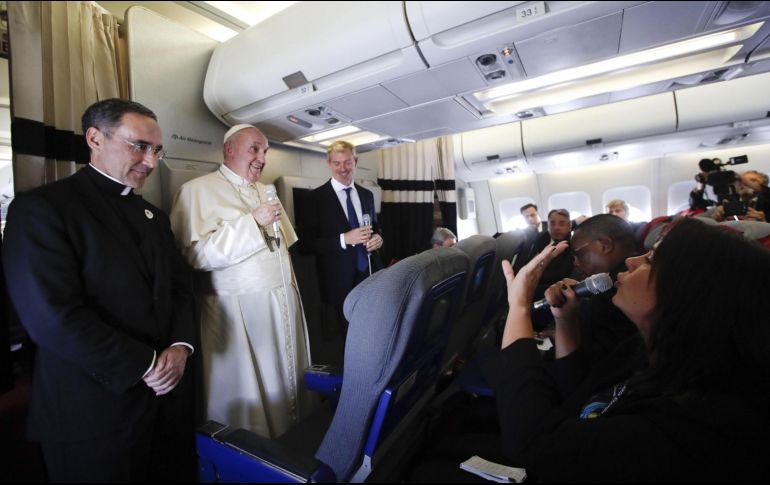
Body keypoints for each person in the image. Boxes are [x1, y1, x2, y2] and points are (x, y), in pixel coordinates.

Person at [484, 218, 770, 481]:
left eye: (651, 260)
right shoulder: (649, 351)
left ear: (690, 293)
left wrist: (519, 308)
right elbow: (579, 395)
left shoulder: (696, 425)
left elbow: (536, 443)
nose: (632, 261)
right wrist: (565, 320)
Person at [2, 99, 196, 482]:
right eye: (139, 146)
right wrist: (146, 364)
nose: (151, 162)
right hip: (91, 411)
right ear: (95, 139)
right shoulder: (43, 208)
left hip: (164, 402)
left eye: (157, 150)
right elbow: (51, 317)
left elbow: (180, 287)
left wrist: (181, 346)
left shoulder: (154, 218)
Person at [169, 124, 313, 438]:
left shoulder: (266, 190)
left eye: (265, 151)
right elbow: (194, 257)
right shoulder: (196, 191)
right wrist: (252, 223)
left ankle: (294, 440)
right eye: (254, 149)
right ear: (229, 149)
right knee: (250, 391)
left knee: (289, 383)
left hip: (282, 304)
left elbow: (282, 247)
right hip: (238, 311)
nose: (262, 158)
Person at [300, 140, 384, 341]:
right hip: (338, 280)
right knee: (347, 338)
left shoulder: (366, 195)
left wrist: (378, 239)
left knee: (374, 329)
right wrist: (343, 239)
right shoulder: (314, 199)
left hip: (369, 273)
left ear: (355, 162)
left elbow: (375, 227)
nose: (343, 168)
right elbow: (305, 245)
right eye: (337, 163)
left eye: (347, 162)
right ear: (329, 164)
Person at [544, 214, 640, 363]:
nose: (576, 262)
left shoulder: (612, 294)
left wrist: (564, 326)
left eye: (578, 253)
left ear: (605, 245)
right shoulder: (627, 278)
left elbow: (580, 365)